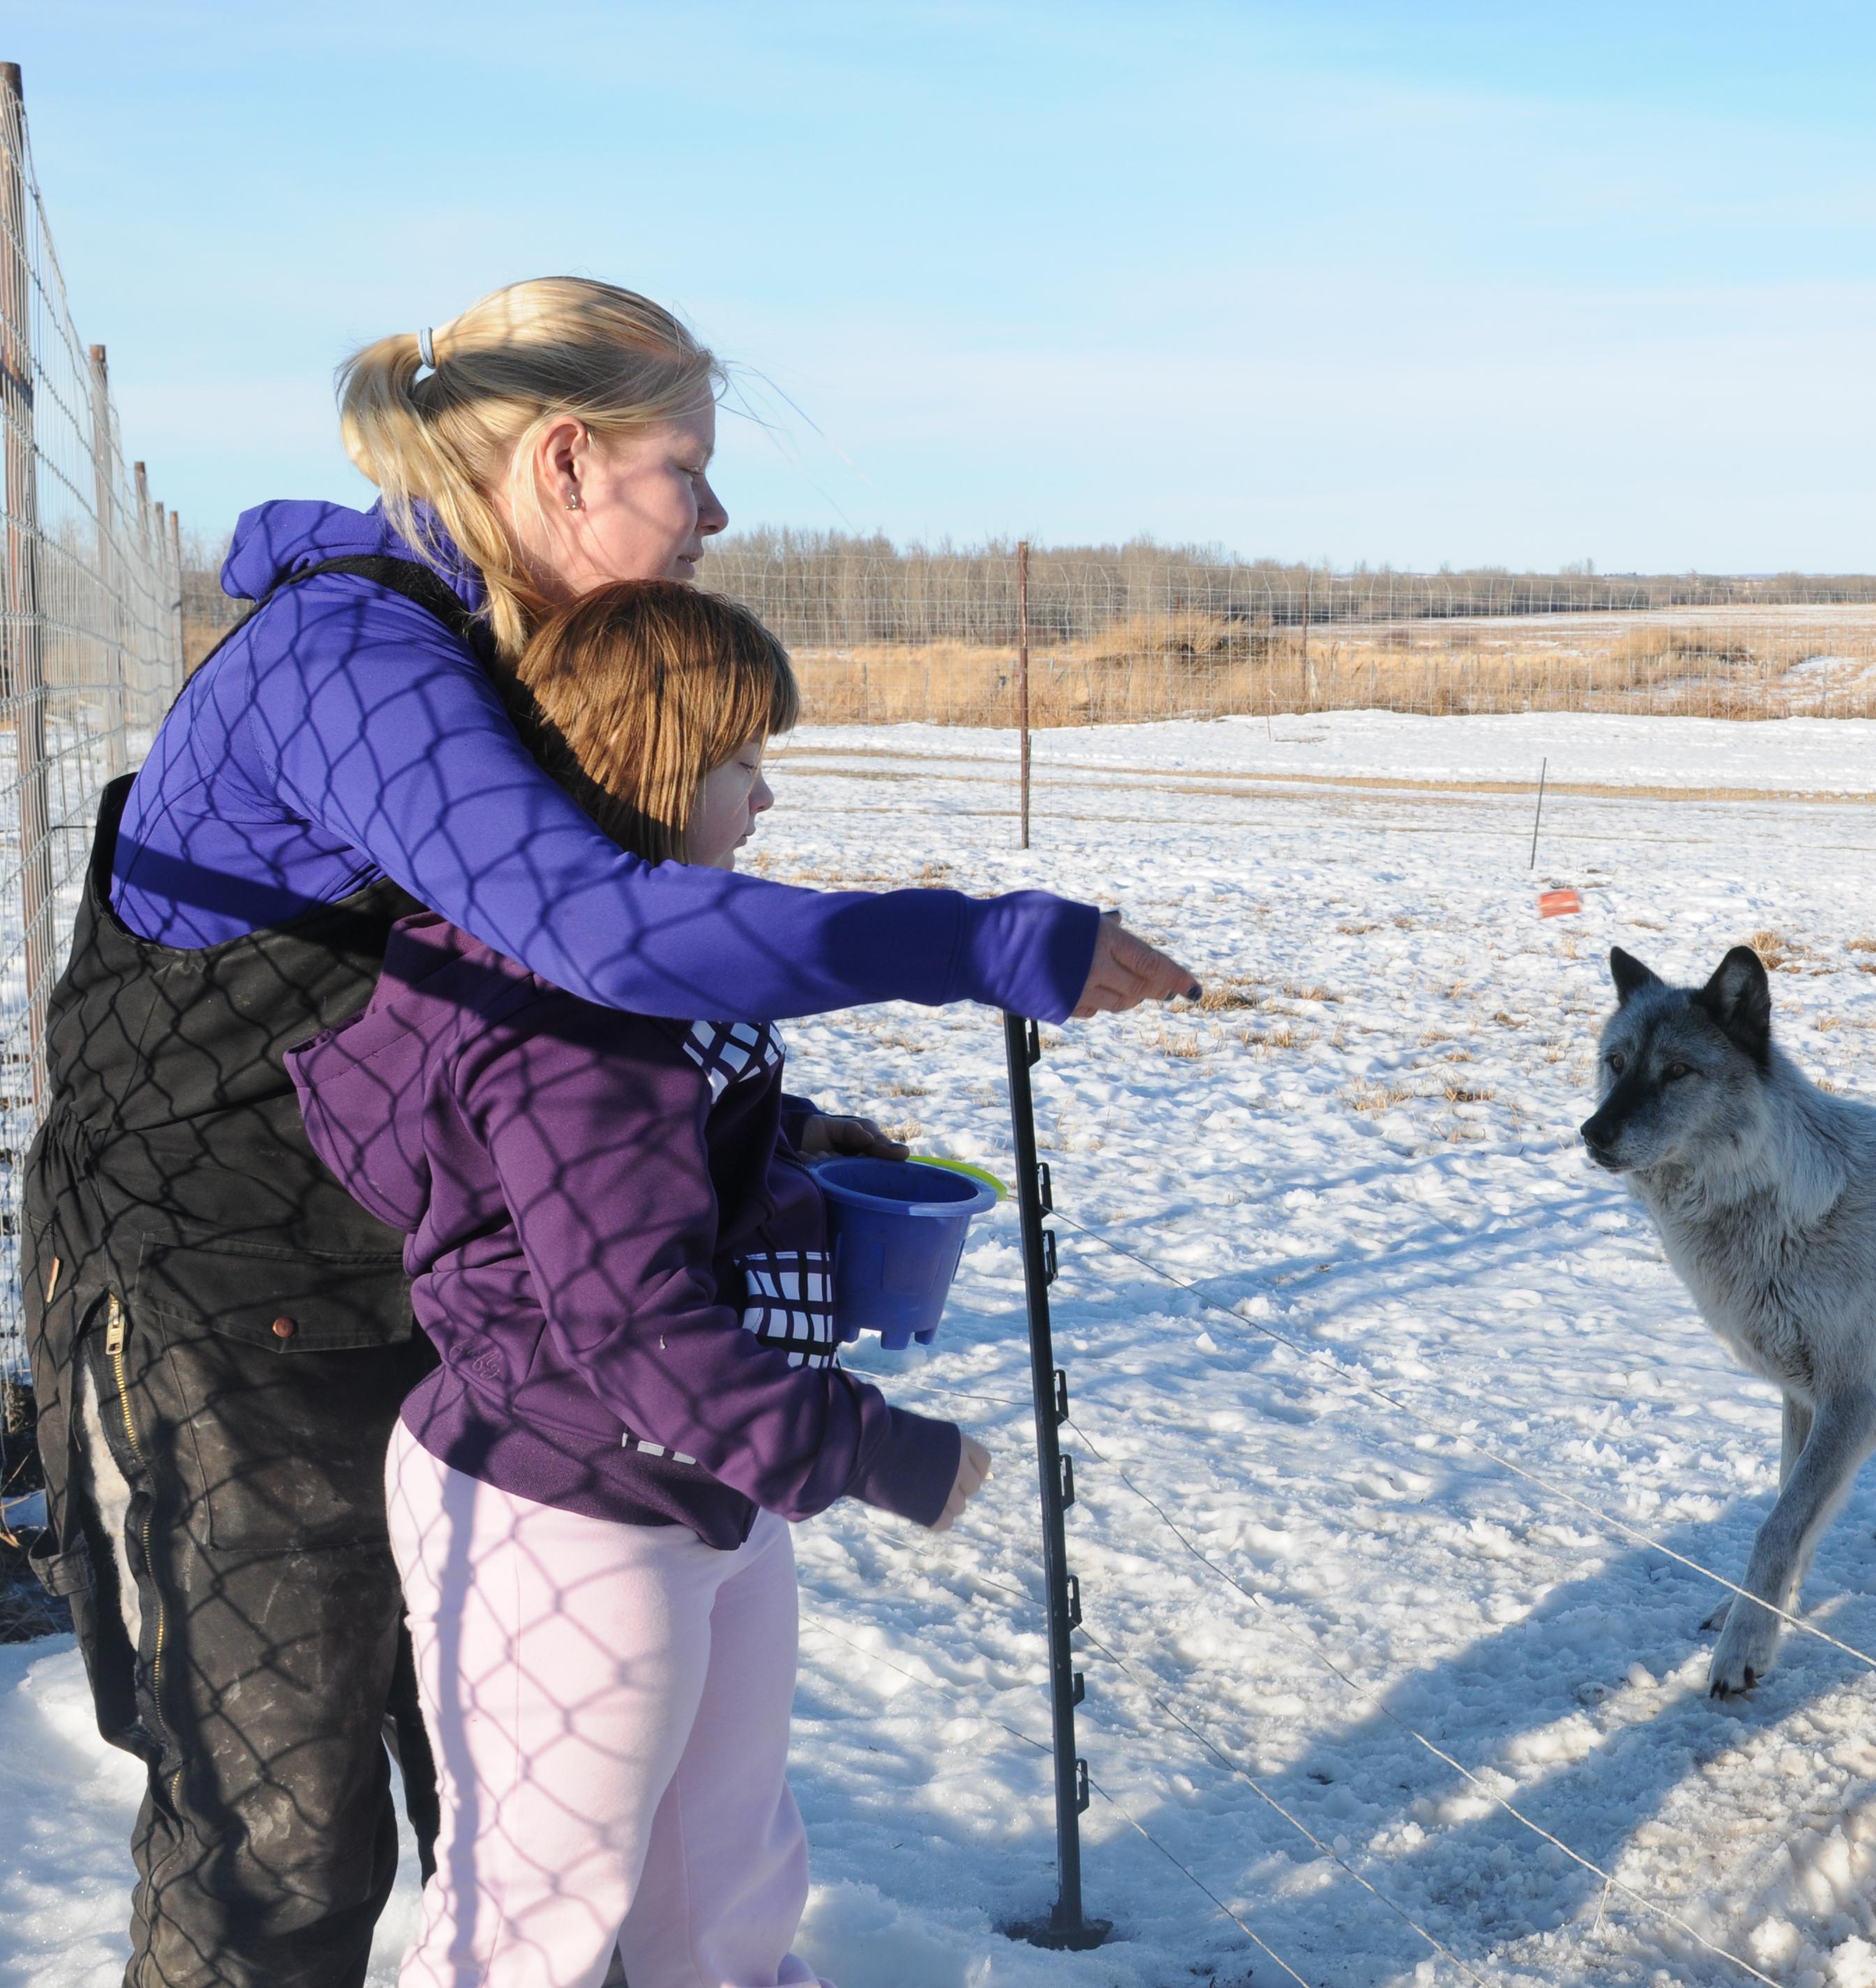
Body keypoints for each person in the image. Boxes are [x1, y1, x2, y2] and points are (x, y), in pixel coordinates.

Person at [15, 276, 1192, 1988]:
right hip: (224, 1305)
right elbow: (599, 938)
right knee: (282, 1831)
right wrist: (976, 938)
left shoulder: (501, 655)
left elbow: (540, 1034)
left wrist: (755, 1149)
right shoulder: (356, 659)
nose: (716, 514)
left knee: (525, 1814)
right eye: (688, 468)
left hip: (436, 1312)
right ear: (566, 461)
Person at [290, 579, 973, 1988]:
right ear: (650, 771)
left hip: (698, 1478)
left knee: (718, 1876)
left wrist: (794, 1147)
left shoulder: (646, 965)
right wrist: (874, 1448)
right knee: (535, 1908)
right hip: (565, 1496)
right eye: (740, 764)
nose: (765, 796)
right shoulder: (575, 1011)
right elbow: (628, 1319)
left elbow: (657, 1157)